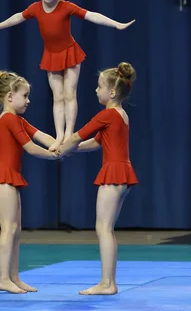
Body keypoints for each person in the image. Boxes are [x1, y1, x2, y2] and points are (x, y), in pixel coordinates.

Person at [0, 0, 135, 152]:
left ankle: (70, 134)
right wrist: (0, 25)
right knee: (57, 96)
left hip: (70, 53)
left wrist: (116, 24)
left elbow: (91, 15)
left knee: (69, 93)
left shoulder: (66, 7)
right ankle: (59, 136)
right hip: (51, 55)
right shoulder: (36, 8)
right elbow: (18, 17)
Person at [57, 62, 138, 295]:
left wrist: (60, 149)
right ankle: (108, 281)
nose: (95, 90)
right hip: (122, 172)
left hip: (113, 173)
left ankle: (107, 283)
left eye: (98, 86)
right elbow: (96, 143)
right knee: (106, 228)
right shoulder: (120, 115)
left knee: (102, 228)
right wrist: (70, 150)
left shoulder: (107, 115)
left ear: (111, 92)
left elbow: (77, 136)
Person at [0, 70, 58, 294]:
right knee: (9, 228)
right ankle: (2, 277)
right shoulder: (8, 119)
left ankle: (13, 276)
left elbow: (41, 136)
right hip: (2, 177)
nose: (28, 100)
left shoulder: (17, 119)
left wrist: (62, 142)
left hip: (9, 178)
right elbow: (31, 147)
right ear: (9, 97)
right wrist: (54, 155)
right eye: (24, 96)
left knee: (16, 229)